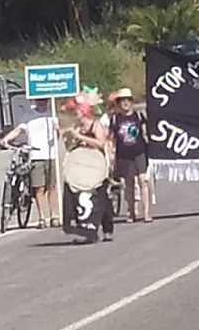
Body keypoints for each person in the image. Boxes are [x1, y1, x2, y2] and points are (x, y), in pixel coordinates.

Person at [0, 99, 60, 228]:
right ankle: (41, 217)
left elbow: (58, 135)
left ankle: (54, 215)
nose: (41, 103)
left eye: (43, 101)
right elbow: (17, 130)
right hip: (36, 156)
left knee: (52, 187)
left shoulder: (52, 115)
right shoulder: (28, 116)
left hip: (50, 154)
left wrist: (58, 130)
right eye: (39, 101)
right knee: (39, 188)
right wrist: (6, 139)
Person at [62, 98, 114, 243]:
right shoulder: (77, 127)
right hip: (83, 168)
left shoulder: (96, 125)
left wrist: (81, 137)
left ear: (84, 112)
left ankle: (107, 229)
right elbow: (70, 148)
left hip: (97, 167)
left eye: (77, 111)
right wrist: (69, 138)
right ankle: (87, 232)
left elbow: (100, 143)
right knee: (80, 198)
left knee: (102, 199)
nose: (75, 114)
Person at [107, 88, 153, 223]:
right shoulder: (115, 119)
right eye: (122, 101)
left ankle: (146, 212)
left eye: (128, 100)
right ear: (119, 103)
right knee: (129, 183)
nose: (125, 103)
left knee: (143, 180)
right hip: (124, 155)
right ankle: (131, 211)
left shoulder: (139, 117)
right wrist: (110, 155)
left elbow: (145, 134)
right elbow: (111, 139)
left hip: (140, 152)